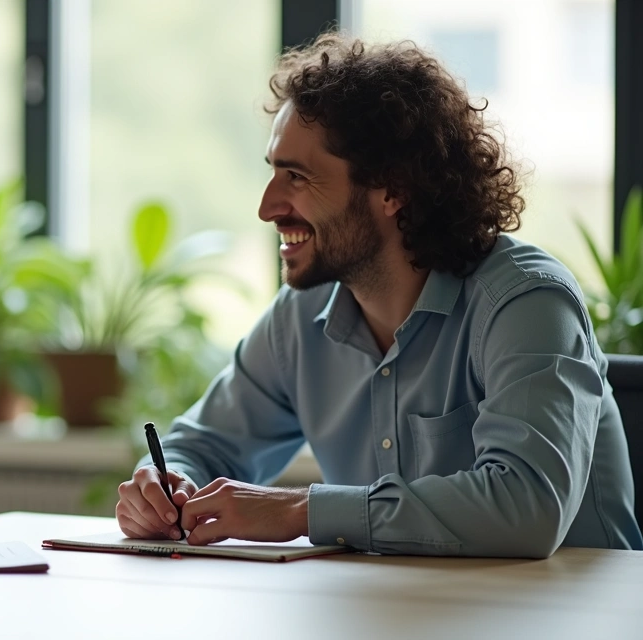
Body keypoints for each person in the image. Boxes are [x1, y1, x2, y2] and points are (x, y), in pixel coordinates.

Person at [116, 34, 642, 557]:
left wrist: (300, 511)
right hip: (399, 614)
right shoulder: (301, 318)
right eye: (273, 171)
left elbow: (527, 506)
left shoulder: (526, 303)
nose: (268, 206)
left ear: (392, 189)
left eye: (296, 177)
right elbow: (204, 445)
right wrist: (162, 487)